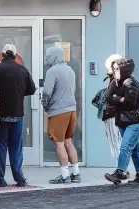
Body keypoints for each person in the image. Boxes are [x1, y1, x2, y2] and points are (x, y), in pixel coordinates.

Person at [0, 44, 36, 187]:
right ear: (15, 56)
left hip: (0, 115)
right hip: (17, 113)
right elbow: (31, 89)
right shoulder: (23, 70)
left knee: (0, 146)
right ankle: (19, 178)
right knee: (16, 147)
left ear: (3, 55)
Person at [104, 58, 139, 185]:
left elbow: (129, 101)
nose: (115, 71)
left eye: (117, 69)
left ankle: (120, 172)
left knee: (125, 146)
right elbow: (108, 97)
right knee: (134, 148)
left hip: (137, 120)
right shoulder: (115, 82)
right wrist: (119, 99)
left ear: (124, 69)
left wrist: (117, 99)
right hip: (123, 119)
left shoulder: (131, 83)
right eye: (113, 69)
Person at [41, 46, 80, 184]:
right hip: (72, 110)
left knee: (59, 144)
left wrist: (45, 105)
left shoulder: (52, 71)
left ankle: (65, 175)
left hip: (58, 112)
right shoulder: (70, 70)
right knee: (68, 141)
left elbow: (46, 92)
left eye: (48, 57)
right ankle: (76, 173)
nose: (46, 59)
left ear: (54, 56)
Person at [92, 54, 129, 179]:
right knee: (118, 141)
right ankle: (122, 168)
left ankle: (121, 170)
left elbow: (112, 97)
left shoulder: (116, 81)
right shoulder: (124, 80)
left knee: (115, 142)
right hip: (118, 115)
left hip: (112, 115)